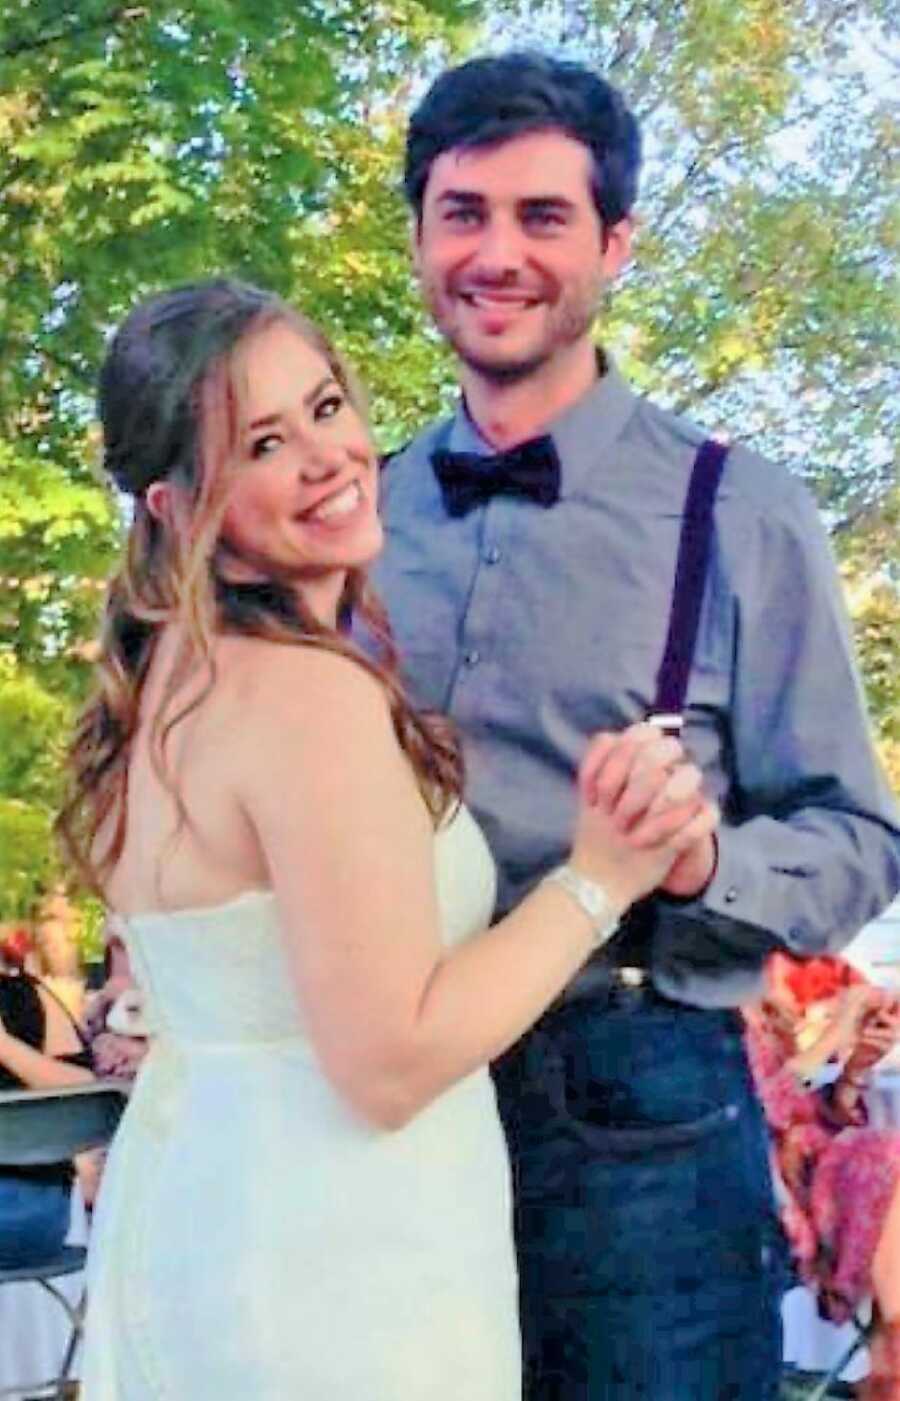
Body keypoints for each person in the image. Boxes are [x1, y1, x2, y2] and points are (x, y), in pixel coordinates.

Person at [57, 277, 718, 1399]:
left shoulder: (162, 692)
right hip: (339, 1259)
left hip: (199, 1218)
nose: (327, 457)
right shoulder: (307, 700)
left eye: (324, 407)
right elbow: (391, 1059)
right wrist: (603, 876)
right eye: (262, 442)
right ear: (173, 507)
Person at [370, 50, 900, 1399]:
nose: (497, 253)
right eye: (463, 212)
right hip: (380, 1106)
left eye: (542, 217)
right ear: (421, 233)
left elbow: (858, 841)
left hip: (638, 1117)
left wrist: (700, 862)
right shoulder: (351, 515)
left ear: (615, 242)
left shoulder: (742, 508)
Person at [745, 953, 900, 1400]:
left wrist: (858, 1066)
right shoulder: (713, 990)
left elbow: (822, 1112)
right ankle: (891, 1353)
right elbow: (759, 1105)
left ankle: (890, 1356)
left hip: (821, 1161)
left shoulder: (794, 978)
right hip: (761, 1174)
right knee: (888, 1158)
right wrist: (836, 1030)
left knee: (883, 1155)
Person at [0, 926, 94, 1267]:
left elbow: (84, 1090)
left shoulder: (25, 994)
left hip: (28, 1207)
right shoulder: (31, 993)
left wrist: (6, 1048)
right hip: (38, 1213)